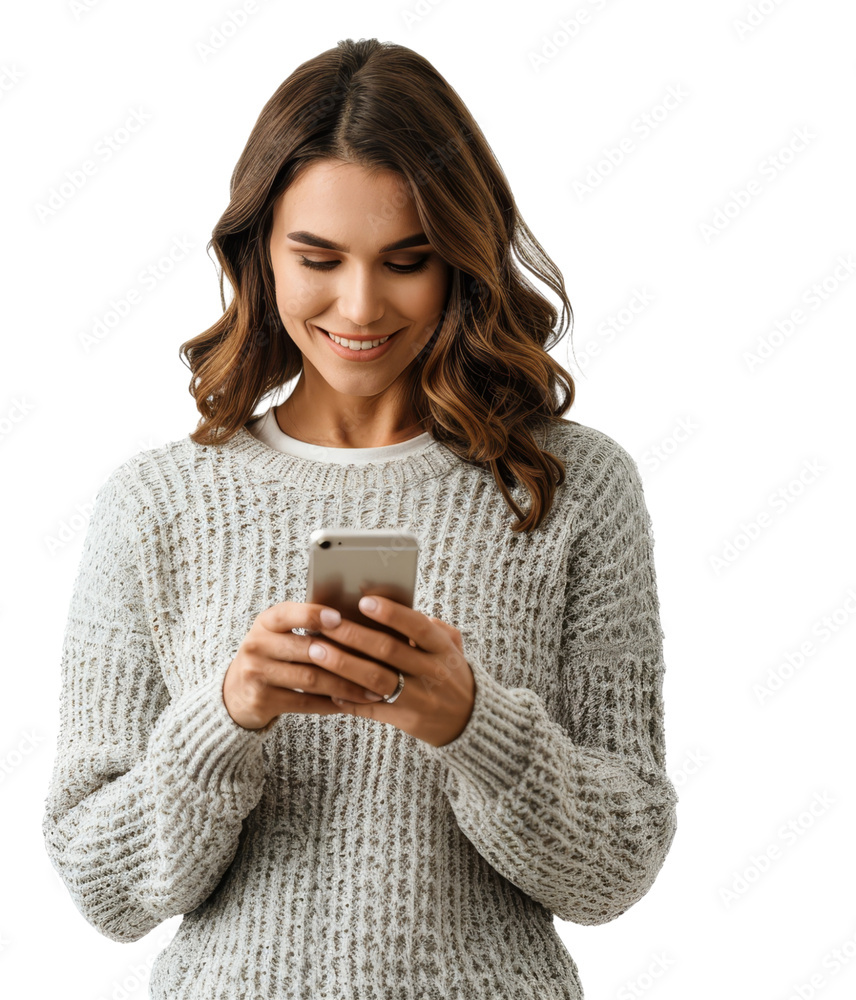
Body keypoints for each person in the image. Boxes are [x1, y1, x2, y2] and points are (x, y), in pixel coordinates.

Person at [41, 37, 678, 999]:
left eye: (408, 261)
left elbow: (615, 869)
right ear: (258, 251)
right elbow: (104, 884)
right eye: (319, 257)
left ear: (463, 259)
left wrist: (474, 723)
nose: (361, 304)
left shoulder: (569, 485)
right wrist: (227, 715)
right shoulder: (157, 504)